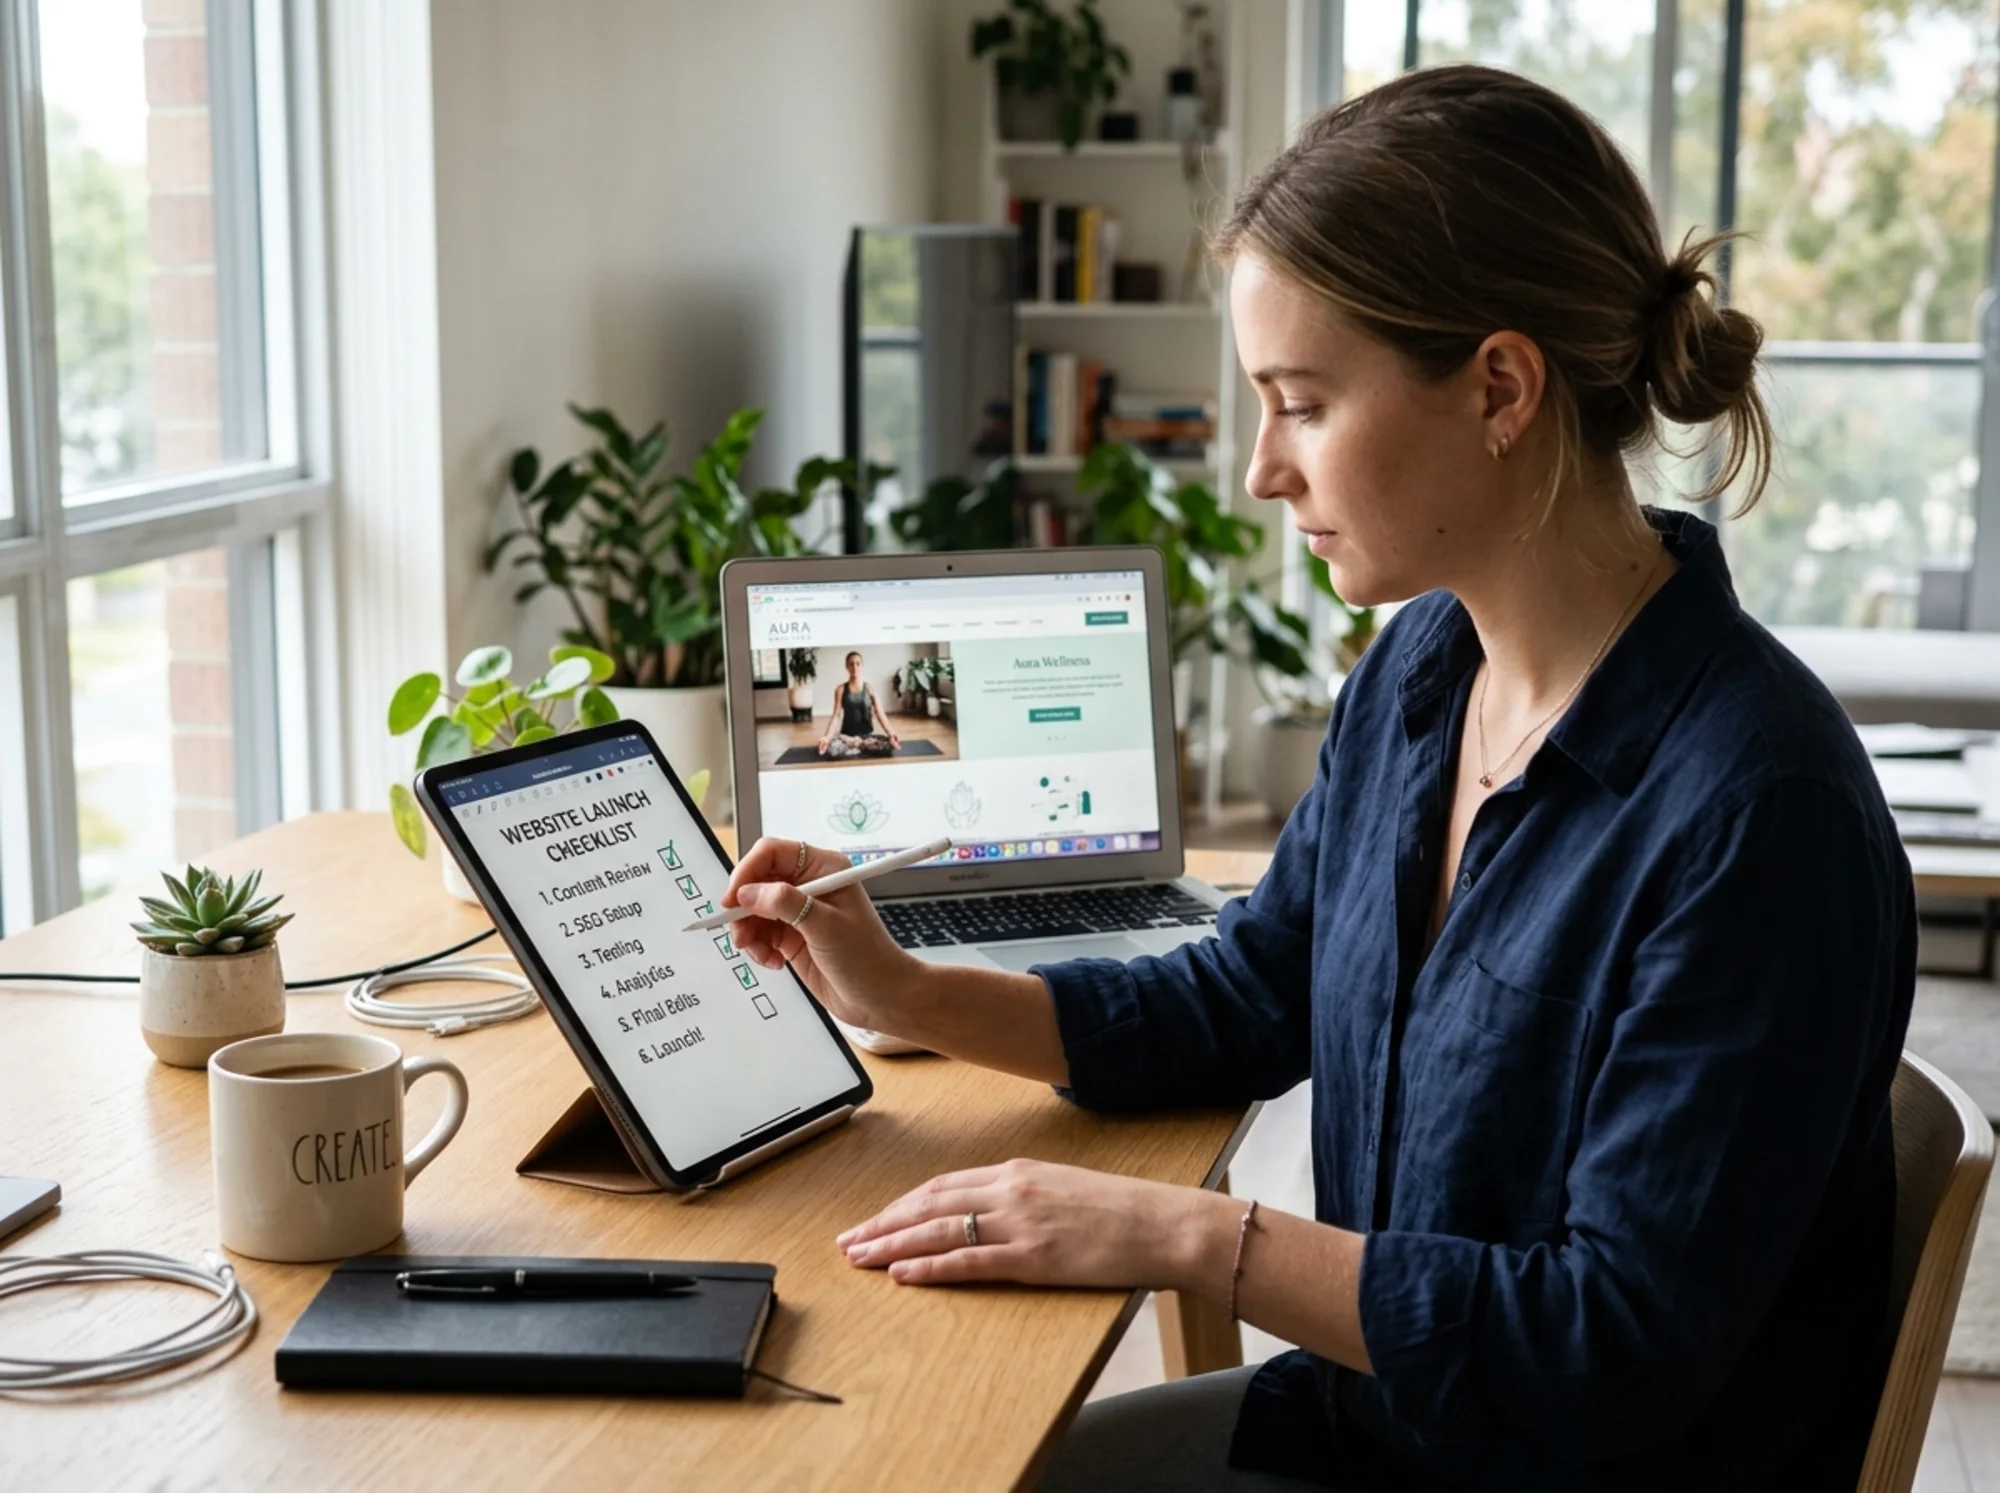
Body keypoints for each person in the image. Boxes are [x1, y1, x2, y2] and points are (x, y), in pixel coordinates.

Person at [724, 66, 1913, 1491]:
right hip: (1382, 1427)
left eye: (1298, 404)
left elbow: (1610, 1346)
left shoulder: (1756, 813)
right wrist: (909, 993)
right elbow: (1258, 990)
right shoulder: (1423, 673)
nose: (1259, 474)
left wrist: (1177, 1234)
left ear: (1499, 388)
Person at [816, 650, 902, 759]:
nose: (855, 667)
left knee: (889, 745)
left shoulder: (870, 688)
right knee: (831, 748)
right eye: (851, 664)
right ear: (847, 667)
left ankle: (858, 746)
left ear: (862, 666)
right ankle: (861, 747)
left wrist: (891, 733)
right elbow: (836, 716)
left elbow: (879, 713)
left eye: (858, 663)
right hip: (847, 737)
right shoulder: (841, 689)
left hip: (867, 736)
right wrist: (827, 738)